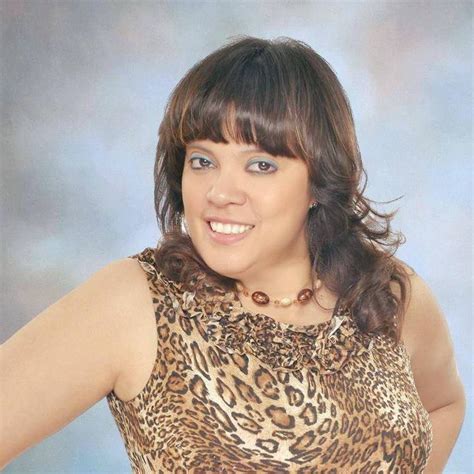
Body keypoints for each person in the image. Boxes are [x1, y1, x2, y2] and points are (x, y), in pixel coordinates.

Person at [0, 36, 466, 473]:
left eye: (260, 165)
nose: (220, 193)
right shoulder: (138, 303)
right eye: (202, 161)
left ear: (319, 182)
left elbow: (444, 405)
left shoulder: (385, 294)